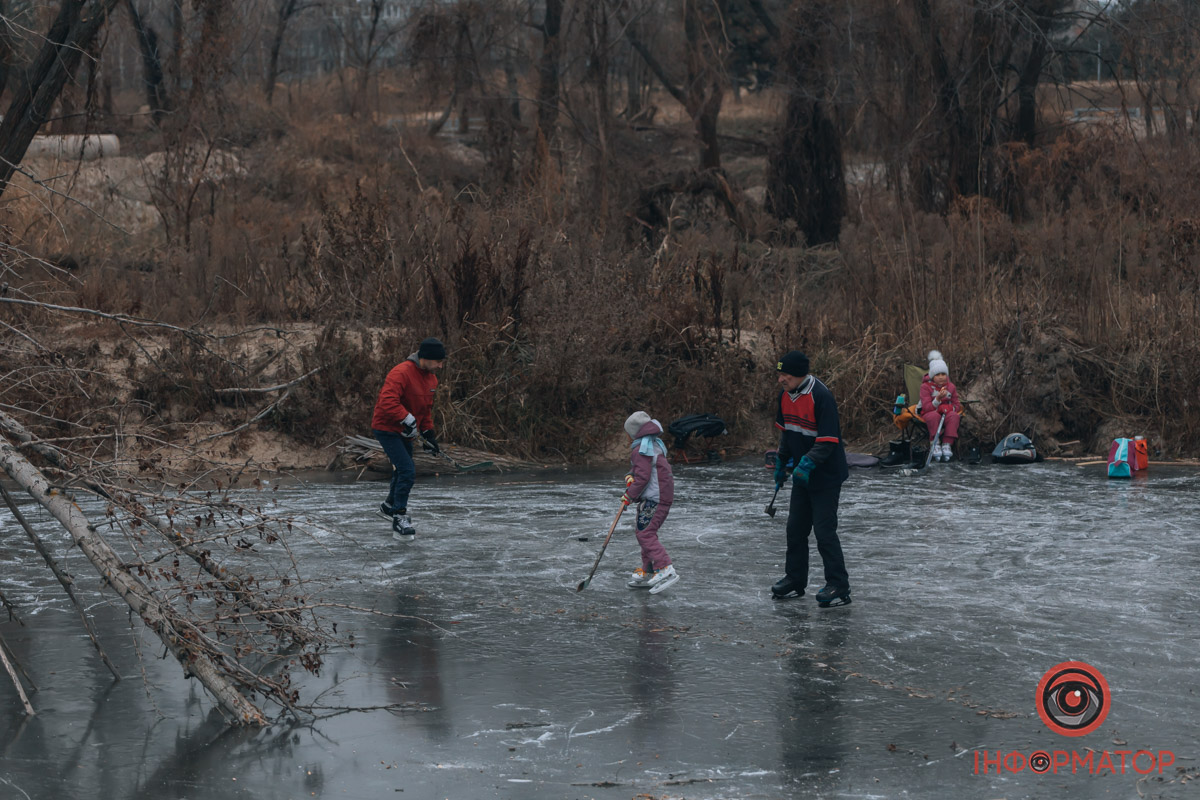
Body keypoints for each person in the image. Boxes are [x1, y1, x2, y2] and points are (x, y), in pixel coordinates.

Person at [770, 351, 851, 606]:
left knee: (825, 532)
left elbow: (828, 441)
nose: (781, 379)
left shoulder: (821, 396)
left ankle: (838, 585)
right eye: (780, 374)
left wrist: (806, 463)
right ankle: (795, 579)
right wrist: (782, 462)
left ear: (800, 374)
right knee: (795, 529)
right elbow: (788, 434)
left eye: (786, 375)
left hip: (825, 476)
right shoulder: (785, 396)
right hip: (802, 476)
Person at [371, 337, 446, 541]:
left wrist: (429, 434)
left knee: (403, 468)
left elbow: (425, 411)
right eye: (438, 361)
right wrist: (406, 417)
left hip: (407, 431)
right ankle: (399, 516)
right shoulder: (401, 372)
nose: (440, 365)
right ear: (426, 358)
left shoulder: (431, 379)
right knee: (407, 470)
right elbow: (387, 401)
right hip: (387, 428)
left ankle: (389, 505)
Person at [621, 411, 680, 594]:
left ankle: (664, 567)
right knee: (643, 532)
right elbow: (640, 471)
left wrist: (629, 495)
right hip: (657, 497)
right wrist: (631, 476)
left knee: (646, 534)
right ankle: (648, 570)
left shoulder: (641, 449)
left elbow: (644, 477)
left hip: (656, 498)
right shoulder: (652, 445)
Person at [919, 350, 961, 462]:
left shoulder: (951, 387)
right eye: (937, 375)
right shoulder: (925, 387)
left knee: (954, 416)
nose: (941, 377)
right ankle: (935, 442)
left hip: (946, 413)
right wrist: (937, 399)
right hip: (929, 412)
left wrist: (950, 408)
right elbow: (926, 407)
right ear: (932, 376)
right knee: (933, 416)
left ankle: (947, 443)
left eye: (943, 374)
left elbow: (957, 405)